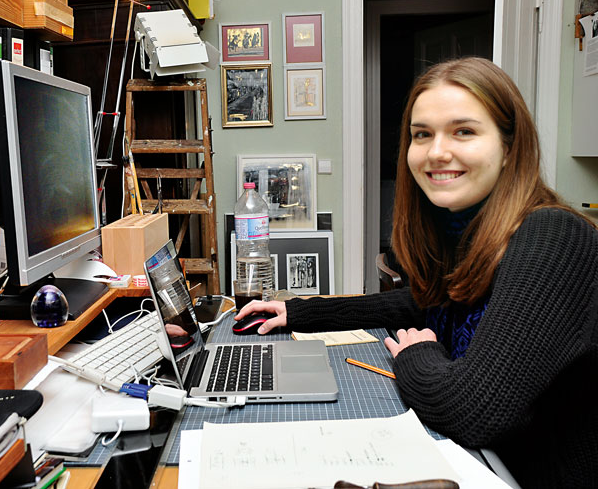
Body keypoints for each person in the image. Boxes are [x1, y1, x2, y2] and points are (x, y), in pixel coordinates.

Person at [235, 57, 598, 488]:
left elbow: (473, 409)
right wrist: (302, 312)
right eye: (422, 134)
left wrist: (414, 355)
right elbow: (427, 303)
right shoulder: (473, 229)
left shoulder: (553, 235)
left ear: (509, 146)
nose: (437, 151)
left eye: (463, 131)